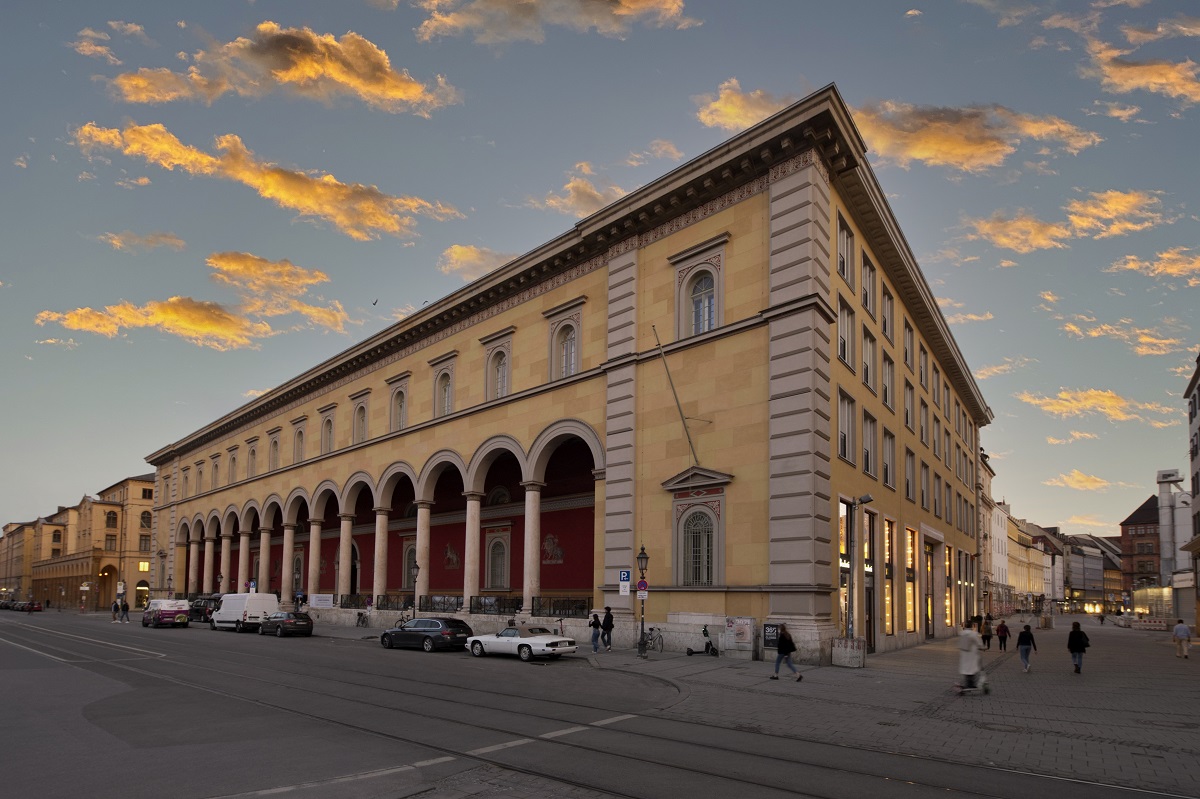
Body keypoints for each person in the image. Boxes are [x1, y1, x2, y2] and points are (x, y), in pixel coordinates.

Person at [957, 620, 983, 689]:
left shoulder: (962, 633)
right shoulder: (973, 634)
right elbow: (979, 643)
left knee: (966, 668)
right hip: (972, 654)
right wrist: (982, 647)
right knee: (972, 668)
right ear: (972, 626)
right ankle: (971, 683)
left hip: (964, 654)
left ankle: (968, 682)